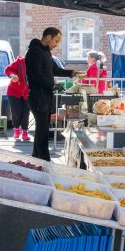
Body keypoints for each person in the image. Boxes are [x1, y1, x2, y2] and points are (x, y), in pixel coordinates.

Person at [25, 27, 76, 162]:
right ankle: (45, 161)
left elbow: (56, 70)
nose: (56, 44)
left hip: (45, 96)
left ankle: (36, 159)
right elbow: (36, 75)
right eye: (56, 41)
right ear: (48, 37)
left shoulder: (46, 52)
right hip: (38, 96)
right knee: (42, 132)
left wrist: (72, 73)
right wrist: (53, 85)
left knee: (42, 130)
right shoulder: (34, 52)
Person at [3, 53, 30, 142]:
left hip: (27, 92)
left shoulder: (37, 64)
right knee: (16, 111)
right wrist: (12, 76)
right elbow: (7, 70)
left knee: (26, 112)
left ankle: (25, 132)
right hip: (14, 91)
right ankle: (16, 130)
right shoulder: (20, 62)